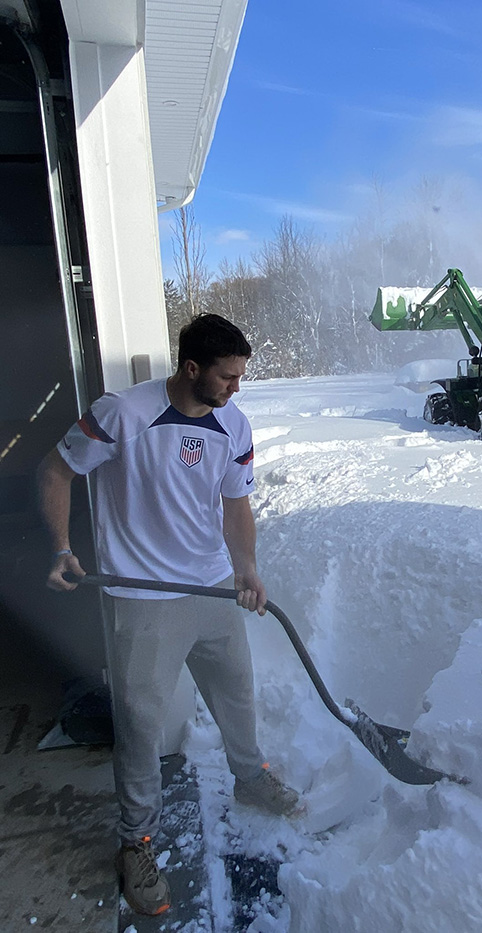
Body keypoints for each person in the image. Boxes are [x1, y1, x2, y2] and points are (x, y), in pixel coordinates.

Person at [37, 314, 300, 917]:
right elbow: (56, 469)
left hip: (210, 589)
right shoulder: (121, 414)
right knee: (139, 726)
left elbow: (236, 505)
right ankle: (137, 841)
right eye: (227, 378)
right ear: (191, 369)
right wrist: (60, 547)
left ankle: (250, 777)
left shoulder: (233, 424)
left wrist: (247, 568)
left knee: (237, 693)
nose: (236, 389)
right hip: (143, 597)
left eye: (240, 378)